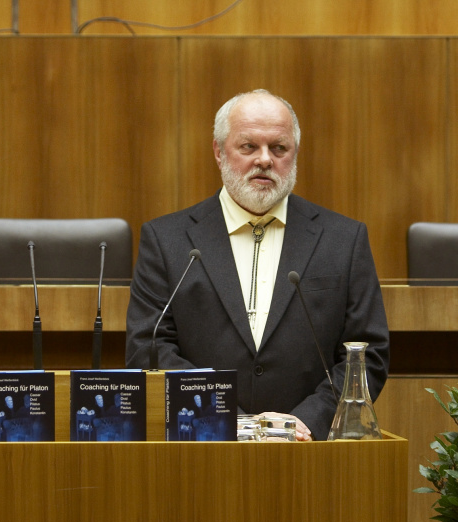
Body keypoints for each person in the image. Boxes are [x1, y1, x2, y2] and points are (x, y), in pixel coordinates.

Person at [125, 89, 389, 441]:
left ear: (294, 154)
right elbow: (149, 351)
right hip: (201, 445)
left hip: (309, 452)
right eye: (249, 147)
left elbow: (367, 353)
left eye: (279, 148)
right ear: (219, 152)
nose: (265, 160)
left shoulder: (343, 239)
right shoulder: (166, 240)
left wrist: (307, 419)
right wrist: (227, 418)